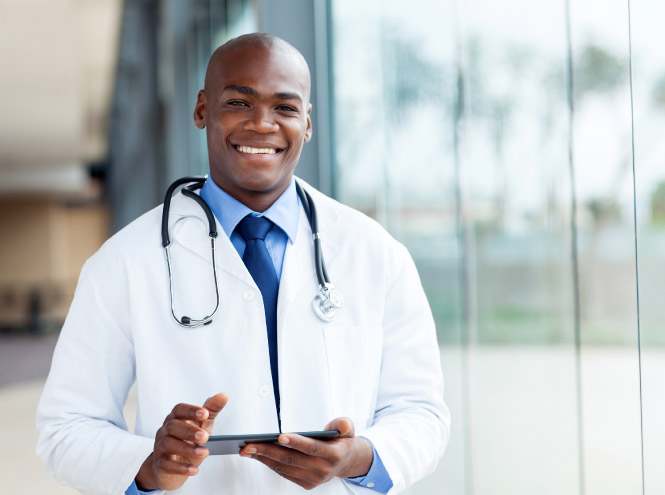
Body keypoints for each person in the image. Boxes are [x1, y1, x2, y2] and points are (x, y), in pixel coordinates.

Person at [36, 33, 450, 495]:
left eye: (286, 108)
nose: (262, 124)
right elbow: (66, 427)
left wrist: (357, 459)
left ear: (307, 123)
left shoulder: (375, 253)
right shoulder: (124, 261)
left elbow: (422, 413)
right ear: (201, 110)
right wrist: (150, 467)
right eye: (239, 102)